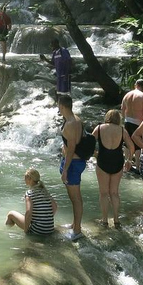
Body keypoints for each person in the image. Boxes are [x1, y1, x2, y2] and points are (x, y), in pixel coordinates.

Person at [92, 109, 134, 228]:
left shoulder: (99, 128)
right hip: (117, 161)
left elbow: (89, 142)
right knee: (114, 192)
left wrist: (94, 153)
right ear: (118, 119)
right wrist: (129, 160)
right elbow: (131, 146)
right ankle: (116, 220)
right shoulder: (122, 130)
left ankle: (104, 220)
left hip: (103, 160)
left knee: (103, 193)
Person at [58, 95, 86, 241]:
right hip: (77, 162)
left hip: (73, 164)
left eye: (59, 106)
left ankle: (77, 230)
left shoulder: (70, 124)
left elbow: (71, 148)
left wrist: (65, 170)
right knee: (76, 197)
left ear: (62, 106)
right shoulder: (76, 119)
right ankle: (75, 224)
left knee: (75, 199)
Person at [5, 168, 57, 235]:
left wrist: (26, 231)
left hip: (36, 230)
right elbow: (55, 207)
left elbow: (28, 212)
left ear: (30, 179)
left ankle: (6, 232)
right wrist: (45, 219)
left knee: (11, 214)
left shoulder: (29, 193)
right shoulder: (45, 192)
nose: (24, 180)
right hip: (49, 229)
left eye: (25, 178)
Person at [121, 79, 143, 169]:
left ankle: (127, 163)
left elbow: (122, 109)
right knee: (138, 144)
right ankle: (138, 166)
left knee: (127, 142)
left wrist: (124, 120)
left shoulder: (126, 95)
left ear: (136, 85)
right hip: (138, 122)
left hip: (127, 121)